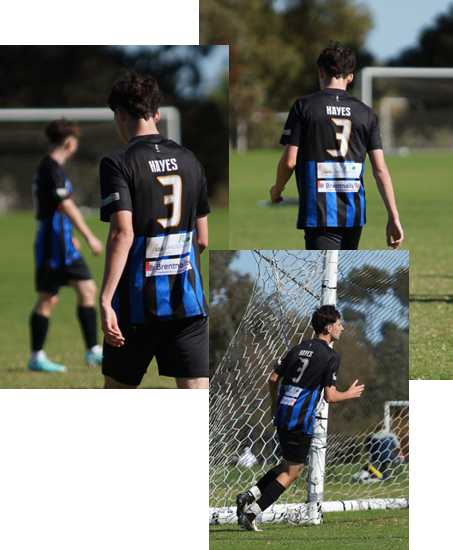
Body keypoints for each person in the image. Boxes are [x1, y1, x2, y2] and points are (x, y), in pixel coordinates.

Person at [99, 69, 210, 390]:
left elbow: (122, 232)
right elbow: (202, 239)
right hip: (187, 301)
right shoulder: (190, 159)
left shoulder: (117, 162)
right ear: (157, 113)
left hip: (136, 305)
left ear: (119, 114)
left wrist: (106, 301)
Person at [237, 304, 365, 531]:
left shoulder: (299, 348)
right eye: (339, 324)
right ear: (328, 327)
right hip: (299, 418)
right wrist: (349, 394)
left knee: (287, 465)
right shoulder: (330, 355)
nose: (342, 329)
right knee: (292, 472)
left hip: (283, 412)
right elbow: (330, 396)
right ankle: (251, 514)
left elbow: (272, 379)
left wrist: (275, 405)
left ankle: (250, 495)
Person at [270, 40, 404, 251]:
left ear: (320, 72)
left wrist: (277, 190)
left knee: (324, 278)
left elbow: (289, 162)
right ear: (350, 77)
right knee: (340, 277)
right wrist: (393, 216)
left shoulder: (304, 106)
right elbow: (380, 168)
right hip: (354, 213)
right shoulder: (366, 113)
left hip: (320, 212)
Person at [29, 119, 104, 373]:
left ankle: (93, 351)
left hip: (64, 243)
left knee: (88, 290)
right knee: (48, 299)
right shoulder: (51, 168)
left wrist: (70, 235)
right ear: (70, 143)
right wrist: (89, 236)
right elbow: (67, 206)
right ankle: (36, 357)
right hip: (52, 246)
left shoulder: (55, 168)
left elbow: (56, 209)